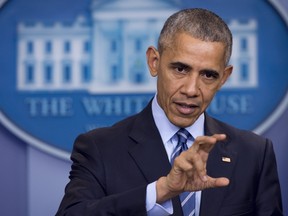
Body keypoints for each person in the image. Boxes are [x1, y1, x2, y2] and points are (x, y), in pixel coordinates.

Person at [56, 8, 283, 216]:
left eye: (208, 75)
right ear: (154, 62)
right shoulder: (99, 148)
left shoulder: (254, 154)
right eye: (180, 69)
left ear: (224, 77)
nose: (191, 89)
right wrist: (159, 191)